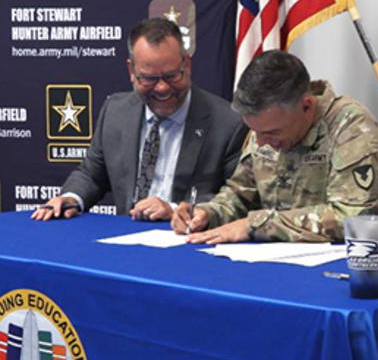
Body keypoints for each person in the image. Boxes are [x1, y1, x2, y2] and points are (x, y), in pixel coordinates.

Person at [32, 18, 248, 222]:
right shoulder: (115, 111)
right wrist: (71, 198)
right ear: (131, 71)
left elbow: (239, 199)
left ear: (187, 65)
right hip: (126, 246)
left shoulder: (228, 123)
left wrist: (174, 209)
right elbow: (92, 174)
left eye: (172, 75)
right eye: (150, 78)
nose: (162, 88)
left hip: (191, 243)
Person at [171, 49, 378, 244]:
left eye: (271, 132)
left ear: (307, 107)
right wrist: (208, 213)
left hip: (349, 267)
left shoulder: (351, 127)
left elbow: (353, 218)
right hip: (276, 261)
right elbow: (240, 193)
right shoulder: (267, 126)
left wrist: (256, 225)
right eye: (255, 131)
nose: (260, 142)